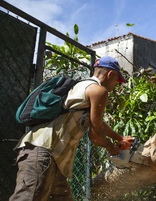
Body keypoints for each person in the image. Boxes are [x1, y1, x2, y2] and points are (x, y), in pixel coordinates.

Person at [9, 56, 133, 201]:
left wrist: (120, 138)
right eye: (117, 80)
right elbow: (95, 136)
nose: (116, 85)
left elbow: (98, 123)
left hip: (54, 159)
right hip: (44, 154)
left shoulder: (81, 87)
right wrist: (112, 149)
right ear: (110, 74)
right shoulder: (98, 91)